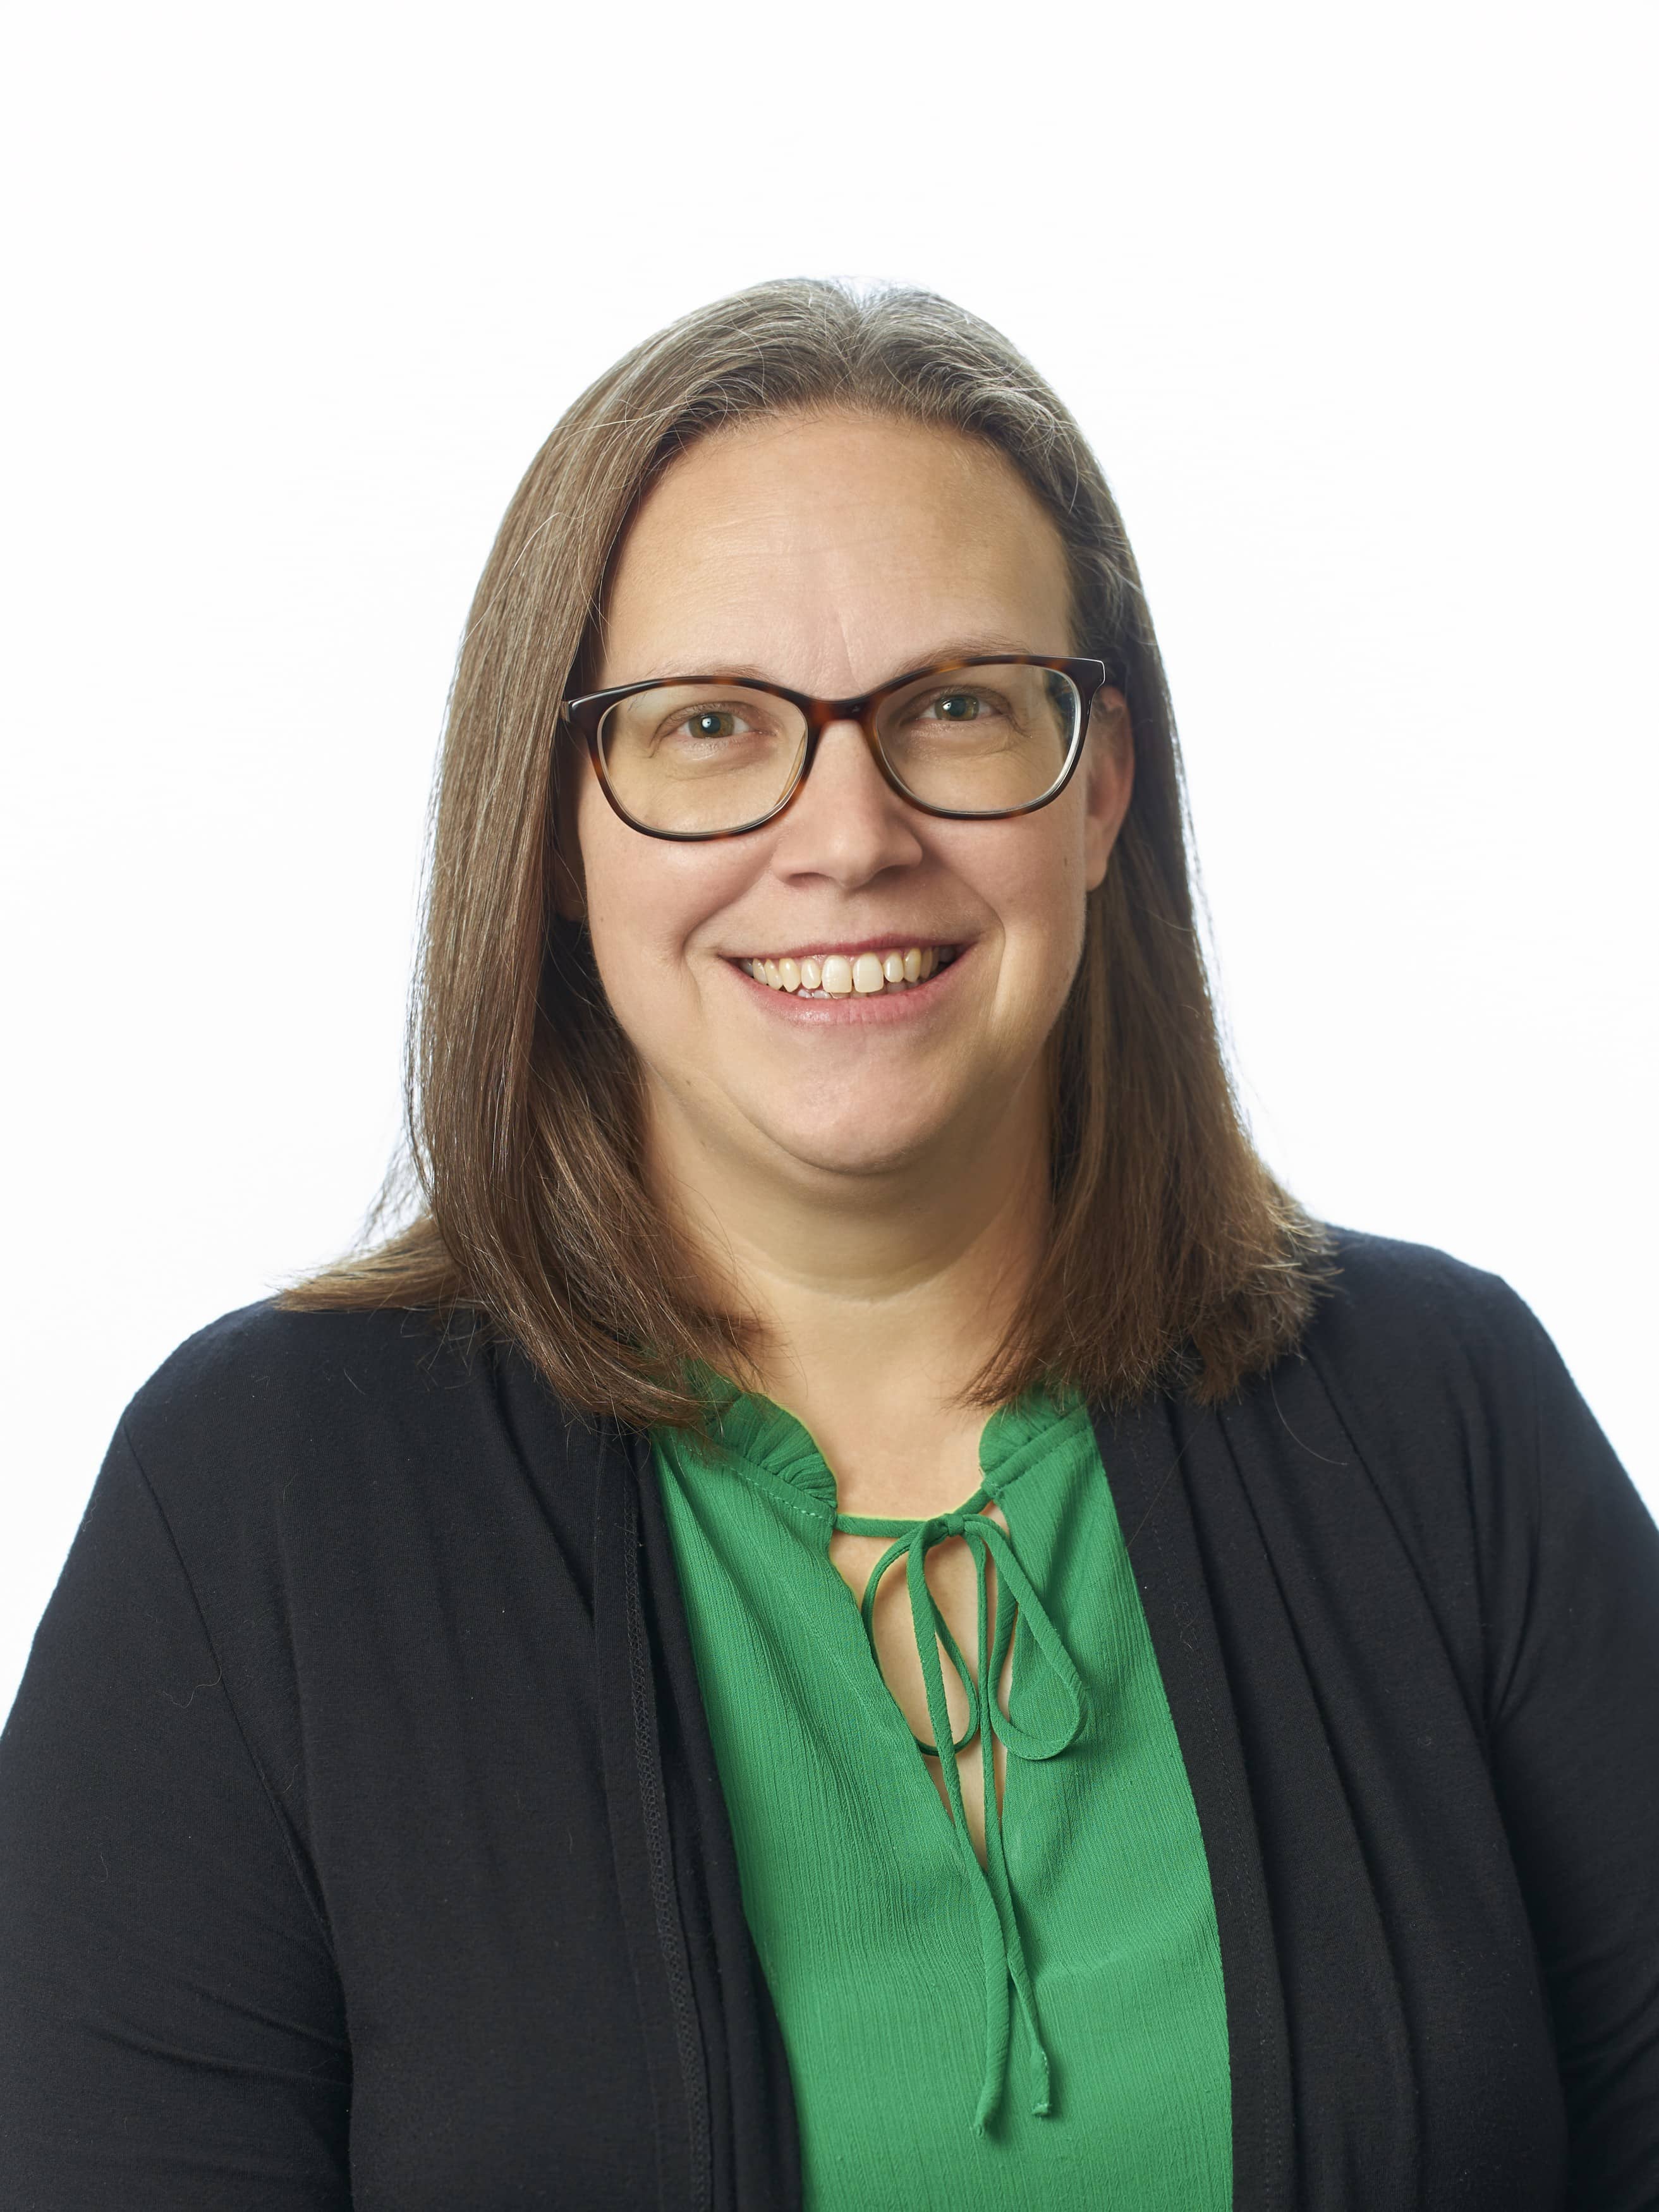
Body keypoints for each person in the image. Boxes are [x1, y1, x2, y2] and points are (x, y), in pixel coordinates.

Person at [1, 278, 1655, 2212]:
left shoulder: (1438, 1418)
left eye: (956, 707)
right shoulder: (262, 1502)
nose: (847, 831)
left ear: (1102, 782)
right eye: (711, 726)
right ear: (553, 827)